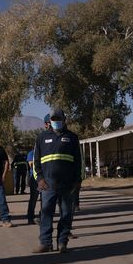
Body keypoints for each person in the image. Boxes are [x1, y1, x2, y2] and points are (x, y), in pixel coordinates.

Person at [32, 108, 83, 253]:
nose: (55, 122)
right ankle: (45, 243)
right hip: (47, 185)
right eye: (53, 120)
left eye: (58, 119)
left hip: (67, 185)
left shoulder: (72, 137)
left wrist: (78, 180)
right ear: (50, 121)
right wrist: (40, 179)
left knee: (66, 214)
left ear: (64, 120)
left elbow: (79, 161)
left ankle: (62, 243)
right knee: (46, 214)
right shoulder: (41, 137)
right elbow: (36, 162)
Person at [25, 148, 38, 225]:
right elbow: (31, 165)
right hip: (34, 178)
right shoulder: (32, 153)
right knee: (33, 198)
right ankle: (30, 217)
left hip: (45, 178)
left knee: (45, 199)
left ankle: (43, 216)